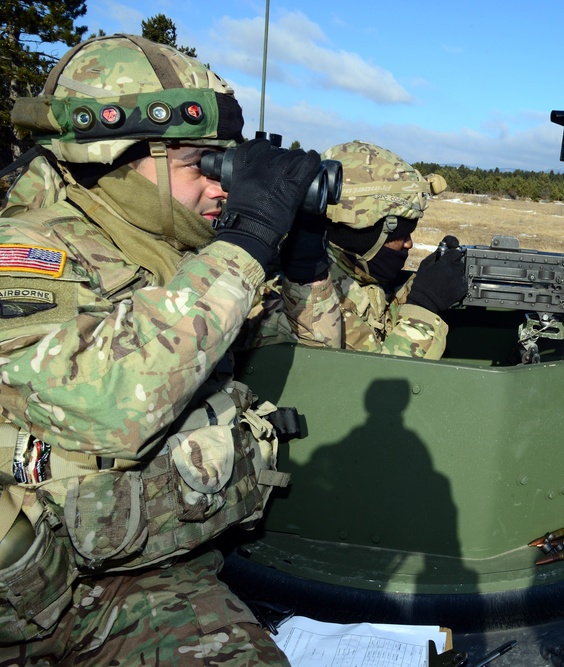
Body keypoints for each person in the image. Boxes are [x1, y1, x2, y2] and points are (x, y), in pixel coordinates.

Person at [0, 34, 346, 665]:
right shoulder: (27, 252)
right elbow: (106, 406)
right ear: (116, 156)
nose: (224, 188)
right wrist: (246, 239)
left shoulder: (169, 256)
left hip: (148, 569)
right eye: (204, 166)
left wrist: (304, 263)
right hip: (47, 603)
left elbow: (318, 358)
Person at [319, 140, 467, 360]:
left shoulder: (356, 276)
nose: (409, 244)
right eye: (399, 235)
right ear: (362, 234)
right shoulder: (312, 301)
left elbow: (381, 323)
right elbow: (379, 384)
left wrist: (417, 286)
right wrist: (424, 305)